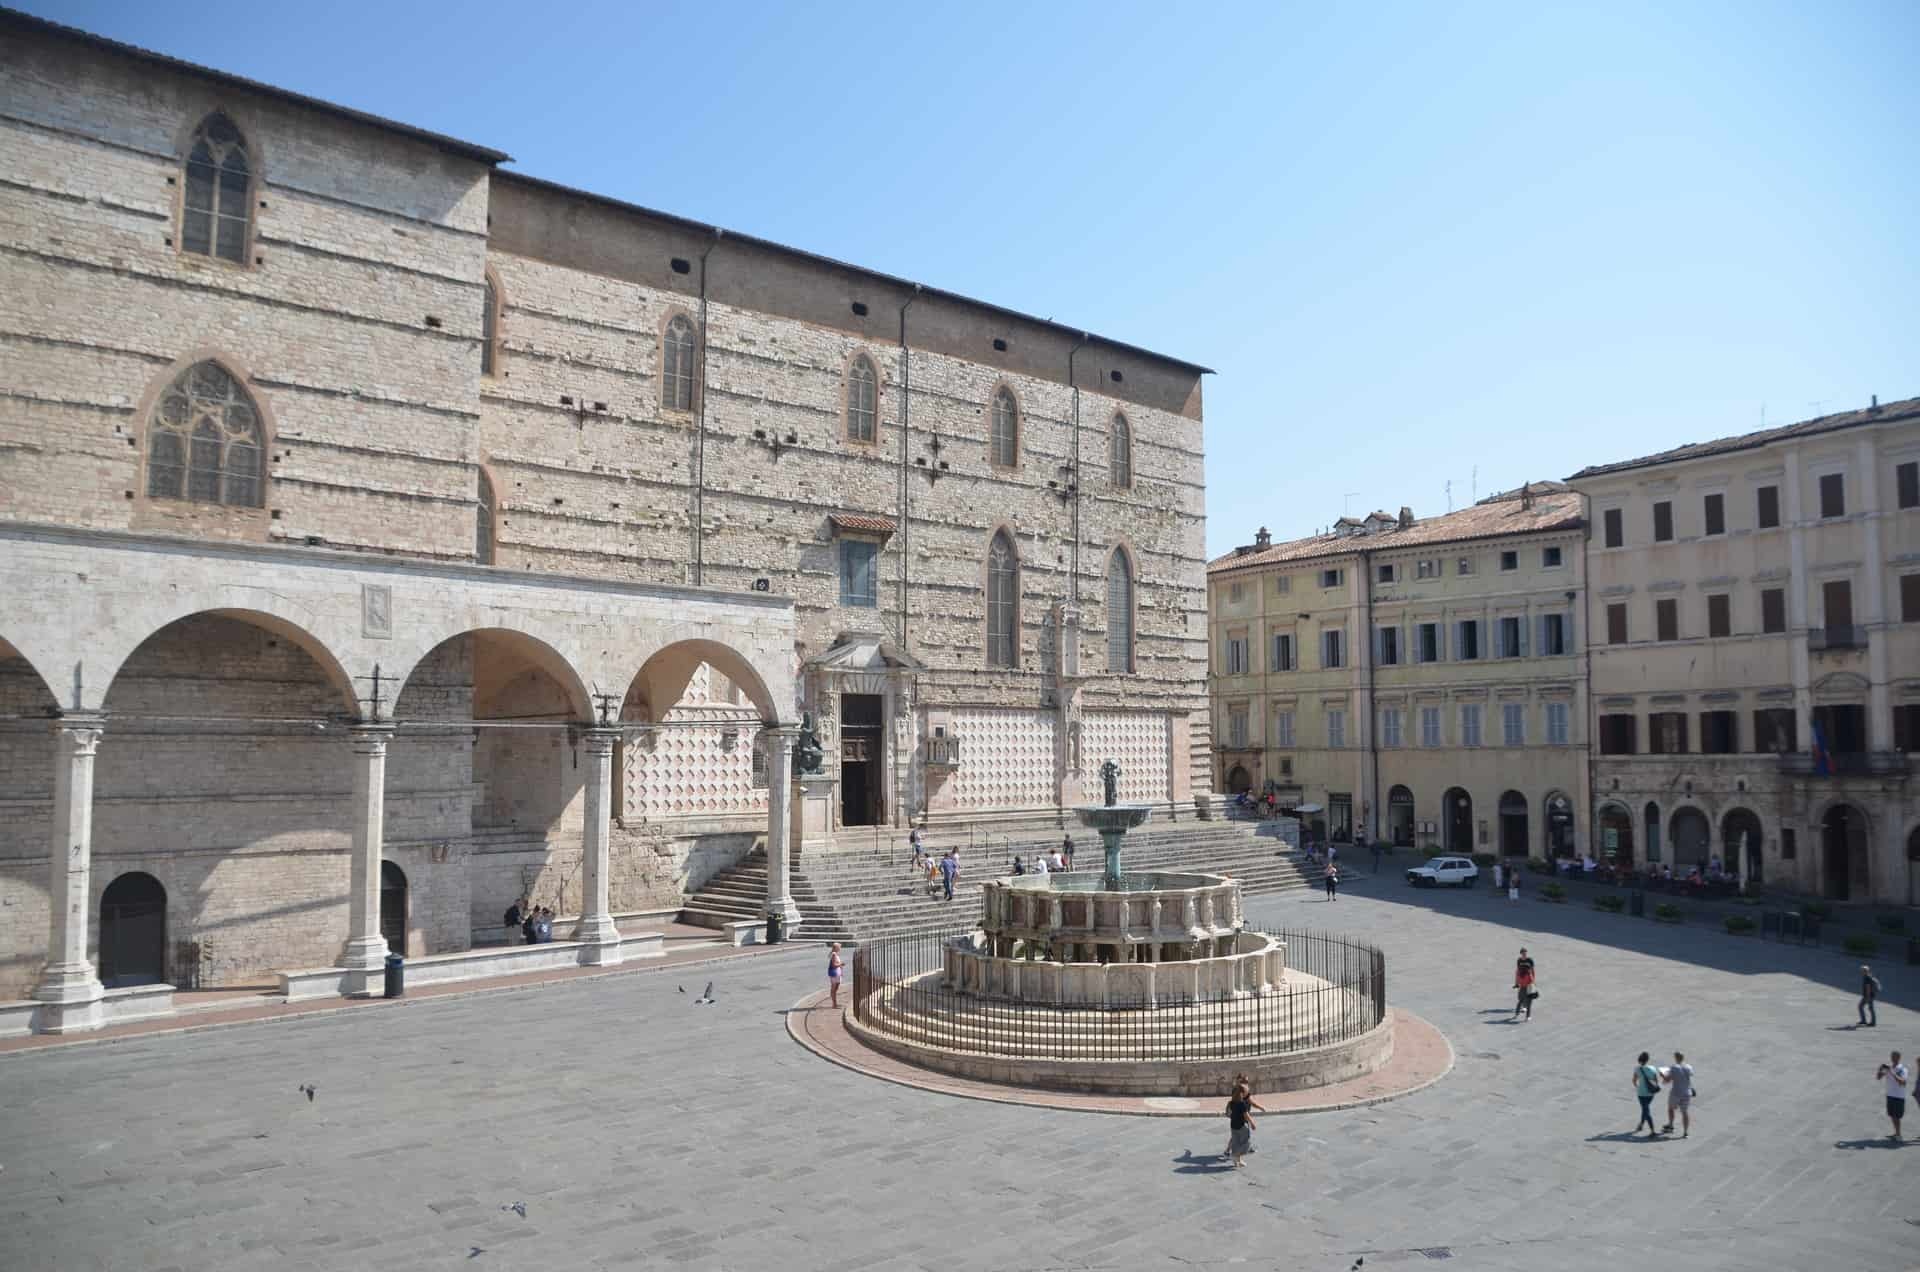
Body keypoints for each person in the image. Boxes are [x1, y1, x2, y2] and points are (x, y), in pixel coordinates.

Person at [1224, 1080, 1265, 1169]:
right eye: (1246, 1092)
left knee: (1235, 1143)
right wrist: (1252, 1123)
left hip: (1233, 1126)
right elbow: (1246, 1115)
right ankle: (1235, 1155)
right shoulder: (1242, 1104)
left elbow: (1228, 1113)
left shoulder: (1231, 1103)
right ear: (1241, 1094)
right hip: (1242, 1126)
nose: (1248, 1094)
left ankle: (1237, 1161)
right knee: (1246, 1144)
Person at [1660, 1051, 1694, 1138]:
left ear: (1676, 1058)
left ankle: (1671, 1125)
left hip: (1676, 1093)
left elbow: (1667, 1080)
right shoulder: (1689, 1067)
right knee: (1685, 1112)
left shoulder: (1674, 1067)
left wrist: (1662, 1075)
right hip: (1687, 1093)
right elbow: (1690, 1076)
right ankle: (1685, 1132)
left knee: (1671, 1109)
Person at [1877, 1050, 1908, 1142]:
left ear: (1899, 1058)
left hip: (1898, 1096)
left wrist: (1892, 1072)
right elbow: (1878, 1077)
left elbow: (1903, 1083)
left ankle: (1899, 1135)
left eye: (1894, 1056)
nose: (1892, 1058)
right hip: (1890, 1095)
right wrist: (1880, 1070)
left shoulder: (1902, 1069)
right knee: (1892, 1115)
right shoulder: (1889, 1068)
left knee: (1897, 1116)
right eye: (1892, 1056)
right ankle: (1896, 1133)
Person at [1632, 1051, 1663, 1136]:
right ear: (1647, 1060)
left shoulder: (1637, 1069)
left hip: (1641, 1093)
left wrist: (1637, 1087)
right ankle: (1641, 1125)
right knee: (1645, 1109)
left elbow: (1634, 1081)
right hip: (1650, 1093)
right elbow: (1656, 1081)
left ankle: (1652, 1130)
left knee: (1646, 1110)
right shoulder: (1652, 1068)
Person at [1512, 948, 1536, 1020]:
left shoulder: (1530, 960)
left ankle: (1527, 1014)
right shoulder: (1519, 961)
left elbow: (1532, 971)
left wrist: (1533, 981)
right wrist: (1516, 983)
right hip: (1523, 983)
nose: (1524, 954)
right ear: (1521, 953)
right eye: (1523, 953)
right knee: (1520, 999)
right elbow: (1517, 972)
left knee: (1528, 1000)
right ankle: (1518, 1013)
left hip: (1529, 983)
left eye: (1525, 952)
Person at [826, 942, 844, 1008]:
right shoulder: (834, 954)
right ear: (836, 948)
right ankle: (834, 1004)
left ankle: (835, 1002)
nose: (840, 948)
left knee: (836, 988)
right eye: (839, 947)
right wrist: (841, 964)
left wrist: (841, 969)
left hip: (837, 973)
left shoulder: (835, 954)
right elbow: (834, 965)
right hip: (834, 973)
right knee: (834, 989)